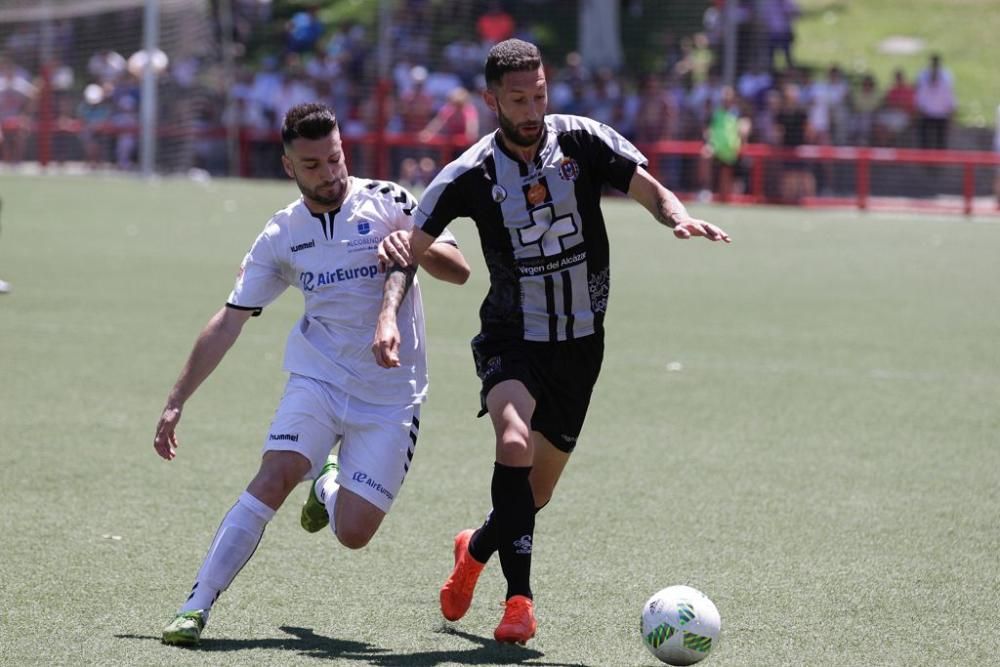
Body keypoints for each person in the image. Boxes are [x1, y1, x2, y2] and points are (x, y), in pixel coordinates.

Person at [378, 39, 730, 644]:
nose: (532, 107)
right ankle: (520, 602)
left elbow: (647, 187)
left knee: (533, 494)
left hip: (581, 345)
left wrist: (677, 217)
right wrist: (387, 316)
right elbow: (408, 250)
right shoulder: (467, 175)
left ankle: (475, 548)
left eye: (539, 93)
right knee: (512, 441)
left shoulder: (584, 139)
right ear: (492, 100)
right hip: (512, 338)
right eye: (518, 98)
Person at [153, 102, 470, 646]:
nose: (330, 174)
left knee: (353, 533)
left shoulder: (389, 199)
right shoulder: (282, 234)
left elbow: (459, 270)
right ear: (289, 167)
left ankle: (326, 482)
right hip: (318, 380)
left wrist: (413, 246)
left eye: (335, 158)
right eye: (314, 165)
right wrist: (178, 397)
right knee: (273, 475)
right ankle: (196, 604)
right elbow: (230, 320)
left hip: (391, 397)